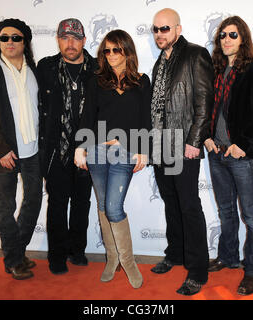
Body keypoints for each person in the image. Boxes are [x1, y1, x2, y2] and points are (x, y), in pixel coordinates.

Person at [74, 29, 151, 289]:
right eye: (106, 50)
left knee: (114, 207)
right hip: (96, 150)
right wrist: (79, 147)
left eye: (116, 49)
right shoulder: (96, 81)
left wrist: (143, 150)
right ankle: (112, 259)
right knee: (103, 206)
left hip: (126, 152)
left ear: (127, 51)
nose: (110, 55)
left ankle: (128, 261)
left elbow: (145, 120)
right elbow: (87, 117)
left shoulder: (142, 81)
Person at [204, 16, 253, 295]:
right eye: (222, 35)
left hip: (242, 155)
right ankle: (228, 256)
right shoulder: (216, 71)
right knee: (225, 212)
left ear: (243, 37)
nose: (226, 40)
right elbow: (208, 108)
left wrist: (242, 144)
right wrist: (206, 137)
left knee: (252, 215)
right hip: (217, 152)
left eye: (232, 35)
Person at [149, 8, 214, 296]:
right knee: (171, 202)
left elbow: (204, 102)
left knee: (188, 206)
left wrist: (194, 141)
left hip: (183, 145)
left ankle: (198, 270)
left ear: (178, 28)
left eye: (165, 28)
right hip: (160, 145)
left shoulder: (195, 55)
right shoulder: (159, 62)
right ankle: (175, 253)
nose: (160, 34)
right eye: (156, 29)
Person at [0, 18, 43, 280]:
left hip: (34, 150)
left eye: (16, 37)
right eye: (4, 38)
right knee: (5, 206)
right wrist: (1, 149)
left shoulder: (34, 70)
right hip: (6, 153)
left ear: (25, 42)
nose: (9, 42)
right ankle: (13, 260)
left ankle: (17, 251)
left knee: (34, 200)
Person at [37, 18, 97, 275]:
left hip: (88, 149)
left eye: (75, 38)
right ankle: (57, 255)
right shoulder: (46, 67)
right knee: (58, 204)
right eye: (64, 37)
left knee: (82, 202)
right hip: (56, 151)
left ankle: (77, 250)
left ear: (84, 40)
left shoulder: (97, 68)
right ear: (58, 40)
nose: (70, 43)